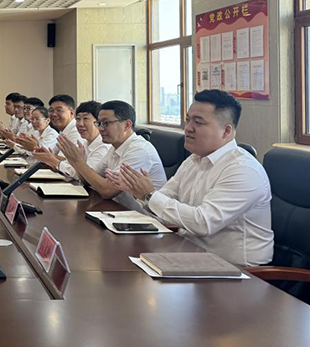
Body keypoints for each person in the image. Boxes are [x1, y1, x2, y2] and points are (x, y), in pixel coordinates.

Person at [109, 90, 274, 266]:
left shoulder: (243, 170)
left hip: (236, 270)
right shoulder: (194, 160)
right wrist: (140, 194)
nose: (188, 128)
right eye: (188, 120)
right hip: (190, 254)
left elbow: (203, 223)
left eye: (198, 122)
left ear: (226, 131)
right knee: (117, 259)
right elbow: (163, 205)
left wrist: (149, 195)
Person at [57, 100, 166, 210]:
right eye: (99, 123)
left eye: (106, 123)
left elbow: (107, 191)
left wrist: (78, 162)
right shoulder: (115, 147)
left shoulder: (139, 150)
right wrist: (75, 161)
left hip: (144, 216)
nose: (100, 128)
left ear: (127, 125)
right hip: (121, 212)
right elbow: (87, 180)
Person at [33, 100, 111, 180]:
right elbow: (69, 164)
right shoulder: (85, 143)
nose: (80, 124)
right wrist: (52, 159)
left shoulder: (103, 147)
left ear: (98, 122)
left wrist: (54, 161)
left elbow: (85, 175)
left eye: (85, 118)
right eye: (78, 119)